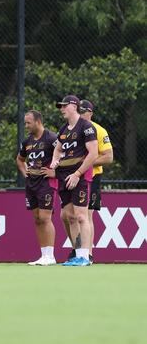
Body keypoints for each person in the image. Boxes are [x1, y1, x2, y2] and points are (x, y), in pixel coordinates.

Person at [49, 95, 98, 266]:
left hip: (79, 177)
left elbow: (93, 153)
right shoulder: (63, 129)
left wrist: (77, 174)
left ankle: (85, 257)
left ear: (73, 106)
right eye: (60, 106)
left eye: (63, 106)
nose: (61, 109)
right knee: (70, 217)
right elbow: (57, 149)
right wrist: (55, 161)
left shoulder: (86, 127)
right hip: (64, 177)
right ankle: (78, 254)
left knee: (81, 216)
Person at [62, 99, 112, 263]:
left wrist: (83, 163)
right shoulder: (71, 129)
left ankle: (87, 254)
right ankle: (77, 251)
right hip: (72, 174)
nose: (81, 114)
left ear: (90, 113)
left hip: (92, 175)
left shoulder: (98, 130)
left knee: (86, 216)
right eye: (79, 111)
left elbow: (108, 157)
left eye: (84, 111)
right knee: (68, 215)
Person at [15, 110, 58, 266]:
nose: (26, 126)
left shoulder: (52, 138)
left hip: (46, 183)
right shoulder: (27, 142)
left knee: (46, 218)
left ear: (38, 122)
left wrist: (55, 172)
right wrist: (24, 172)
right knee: (37, 219)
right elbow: (20, 160)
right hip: (31, 184)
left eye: (28, 123)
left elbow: (64, 156)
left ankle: (51, 256)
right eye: (25, 123)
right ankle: (43, 254)